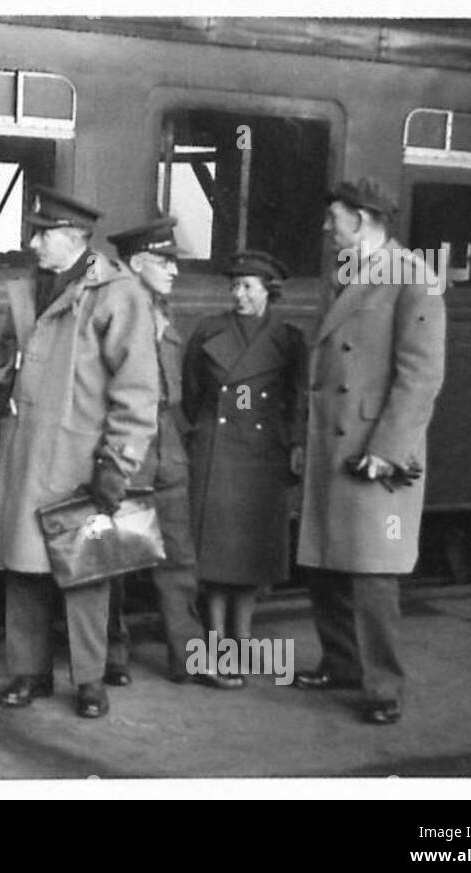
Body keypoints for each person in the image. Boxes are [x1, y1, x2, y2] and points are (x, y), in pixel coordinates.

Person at [0, 185, 158, 719]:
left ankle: (89, 680)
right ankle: (28, 673)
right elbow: (11, 372)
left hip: (82, 460)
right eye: (35, 232)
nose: (33, 242)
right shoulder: (31, 289)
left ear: (75, 238)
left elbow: (138, 389)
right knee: (24, 568)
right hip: (29, 452)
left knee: (86, 574)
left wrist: (117, 463)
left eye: (43, 233)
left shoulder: (117, 293)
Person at [293, 178, 446, 725]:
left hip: (374, 450)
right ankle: (340, 663)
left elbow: (421, 376)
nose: (327, 227)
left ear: (362, 218)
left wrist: (388, 449)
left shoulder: (413, 277)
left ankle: (384, 687)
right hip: (330, 441)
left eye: (334, 217)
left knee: (372, 574)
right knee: (326, 563)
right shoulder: (344, 275)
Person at [100, 219, 240, 690]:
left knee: (180, 559)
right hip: (128, 445)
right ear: (137, 264)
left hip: (166, 447)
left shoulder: (161, 311)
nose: (174, 270)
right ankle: (110, 659)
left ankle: (190, 658)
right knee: (116, 558)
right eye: (165, 261)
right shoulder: (113, 309)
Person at [182, 250, 308, 685]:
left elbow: (297, 401)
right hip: (216, 451)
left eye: (248, 287)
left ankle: (243, 643)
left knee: (250, 561)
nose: (238, 294)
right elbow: (192, 394)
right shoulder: (207, 332)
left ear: (267, 291)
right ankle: (214, 649)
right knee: (214, 563)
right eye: (234, 286)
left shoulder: (290, 340)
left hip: (262, 457)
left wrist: (293, 446)